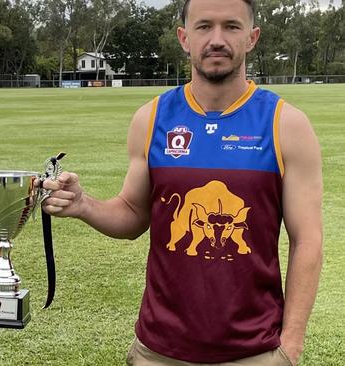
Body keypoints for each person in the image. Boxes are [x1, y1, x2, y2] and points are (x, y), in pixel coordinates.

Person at [43, 0, 322, 365]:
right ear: (184, 37)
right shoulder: (152, 118)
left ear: (252, 38)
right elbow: (131, 214)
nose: (217, 39)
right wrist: (83, 205)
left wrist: (291, 345)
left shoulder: (286, 124)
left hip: (255, 351)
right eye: (204, 26)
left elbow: (308, 241)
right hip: (158, 351)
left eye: (232, 27)